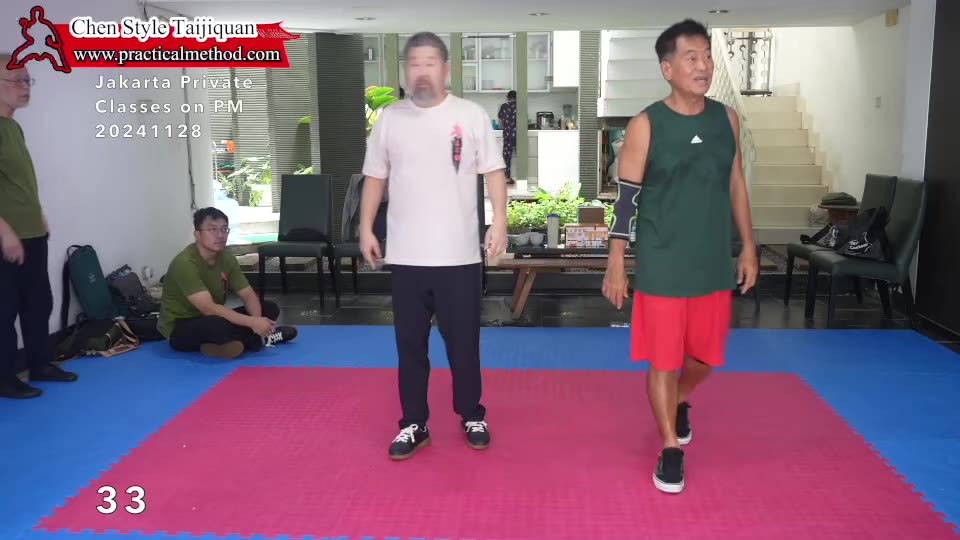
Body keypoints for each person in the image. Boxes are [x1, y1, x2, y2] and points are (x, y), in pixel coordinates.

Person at [602, 20, 758, 494]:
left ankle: (676, 401)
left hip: (712, 260)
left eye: (707, 56)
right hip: (662, 262)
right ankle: (670, 447)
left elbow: (735, 183)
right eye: (692, 57)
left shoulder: (727, 119)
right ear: (667, 69)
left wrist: (749, 246)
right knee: (664, 360)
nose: (704, 65)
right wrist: (616, 264)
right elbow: (626, 201)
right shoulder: (646, 124)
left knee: (706, 358)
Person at [359, 32, 509, 460]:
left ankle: (471, 413)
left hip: (458, 256)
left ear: (445, 69)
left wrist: (499, 222)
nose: (421, 71)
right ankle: (414, 423)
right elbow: (375, 177)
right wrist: (366, 228)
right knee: (410, 347)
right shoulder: (390, 119)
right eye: (413, 63)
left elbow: (494, 171)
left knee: (464, 345)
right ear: (404, 70)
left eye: (429, 63)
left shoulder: (470, 115)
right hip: (406, 256)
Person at [0, 56, 77, 400]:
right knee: (4, 311)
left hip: (31, 234)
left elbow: (17, 184)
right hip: (6, 239)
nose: (25, 87)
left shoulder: (13, 128)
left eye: (28, 80)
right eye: (16, 80)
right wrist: (5, 232)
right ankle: (4, 379)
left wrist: (39, 215)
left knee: (38, 304)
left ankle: (40, 364)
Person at [158, 207, 297, 359]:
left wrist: (256, 320)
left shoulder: (226, 256)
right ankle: (258, 339)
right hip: (180, 327)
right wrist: (252, 323)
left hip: (213, 318)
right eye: (212, 229)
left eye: (224, 229)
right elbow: (208, 308)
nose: (220, 235)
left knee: (269, 308)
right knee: (217, 325)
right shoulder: (185, 263)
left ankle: (232, 343)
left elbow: (248, 295)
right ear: (197, 234)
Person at [497, 90, 517, 184]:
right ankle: (523, 179)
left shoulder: (504, 106)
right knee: (521, 156)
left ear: (508, 97)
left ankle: (507, 178)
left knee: (507, 156)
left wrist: (506, 124)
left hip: (507, 133)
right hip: (518, 134)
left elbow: (501, 119)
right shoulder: (520, 106)